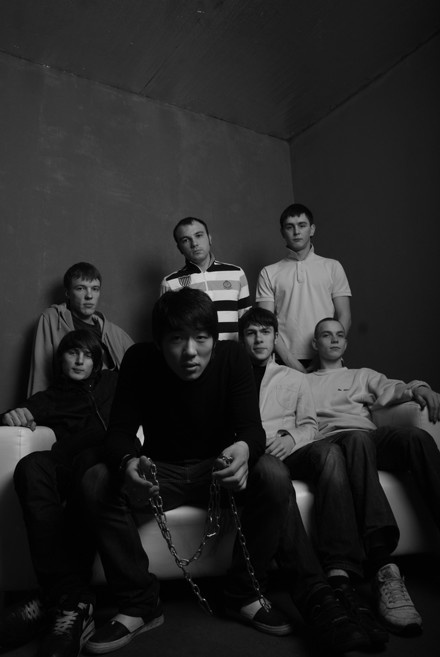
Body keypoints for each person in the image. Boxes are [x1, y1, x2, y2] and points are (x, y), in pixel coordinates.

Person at [81, 288, 370, 655]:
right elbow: (119, 432)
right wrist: (127, 464)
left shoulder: (233, 357)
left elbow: (251, 428)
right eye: (177, 340)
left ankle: (244, 593)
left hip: (217, 471)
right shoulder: (139, 360)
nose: (190, 352)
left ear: (214, 341)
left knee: (272, 472)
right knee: (96, 479)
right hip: (161, 472)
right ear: (158, 343)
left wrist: (244, 450)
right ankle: (139, 604)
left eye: (202, 339)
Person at [239, 307, 392, 647]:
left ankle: (340, 570)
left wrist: (290, 438)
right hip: (256, 455)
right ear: (241, 339)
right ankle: (320, 596)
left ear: (275, 339)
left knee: (330, 453)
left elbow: (310, 425)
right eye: (251, 333)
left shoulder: (295, 378)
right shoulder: (232, 376)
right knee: (275, 472)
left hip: (292, 448)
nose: (259, 339)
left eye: (265, 332)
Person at [307, 317, 440, 635]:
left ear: (346, 342)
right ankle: (382, 562)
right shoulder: (302, 382)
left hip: (368, 438)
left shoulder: (362, 375)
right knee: (357, 439)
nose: (334, 340)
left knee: (416, 438)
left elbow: (396, 389)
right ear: (315, 344)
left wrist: (420, 387)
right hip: (333, 442)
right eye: (326, 335)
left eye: (340, 335)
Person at [0, 330, 119, 657]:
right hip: (68, 465)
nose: (80, 360)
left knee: (90, 463)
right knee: (31, 465)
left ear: (98, 361)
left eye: (88, 355)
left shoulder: (114, 382)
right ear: (60, 359)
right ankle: (68, 598)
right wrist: (9, 416)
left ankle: (53, 600)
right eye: (72, 353)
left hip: (107, 463)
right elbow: (14, 414)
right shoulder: (50, 398)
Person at [255, 203, 351, 371]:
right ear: (282, 232)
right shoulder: (268, 272)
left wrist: (322, 356)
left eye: (302, 225)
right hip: (284, 360)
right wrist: (292, 363)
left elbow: (345, 316)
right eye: (289, 227)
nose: (296, 232)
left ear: (312, 229)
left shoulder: (333, 267)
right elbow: (266, 324)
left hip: (327, 357)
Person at [27, 261, 133, 395]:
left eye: (95, 289)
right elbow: (40, 374)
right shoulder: (52, 319)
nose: (89, 296)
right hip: (67, 402)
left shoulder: (114, 332)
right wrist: (37, 406)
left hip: (108, 404)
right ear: (67, 293)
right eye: (80, 288)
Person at [160, 217, 251, 340]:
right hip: (194, 351)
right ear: (179, 248)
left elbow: (247, 322)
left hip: (232, 350)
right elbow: (167, 330)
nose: (194, 244)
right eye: (185, 240)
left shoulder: (236, 273)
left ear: (209, 238)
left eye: (199, 235)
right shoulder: (170, 283)